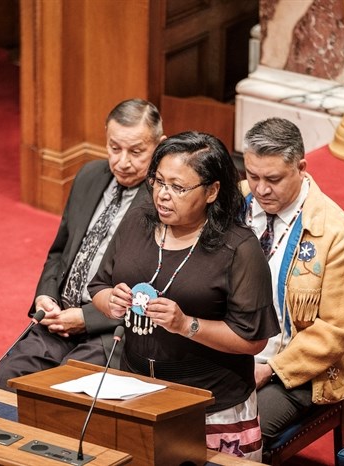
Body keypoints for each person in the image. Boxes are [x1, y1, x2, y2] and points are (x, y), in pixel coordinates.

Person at [89, 131, 279, 461]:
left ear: (212, 191)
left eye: (178, 188)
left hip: (209, 403)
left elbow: (253, 340)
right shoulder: (139, 221)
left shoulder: (239, 249)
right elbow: (99, 286)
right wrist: (111, 301)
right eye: (159, 182)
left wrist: (186, 324)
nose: (163, 195)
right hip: (136, 388)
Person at [0, 98, 165, 391]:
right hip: (58, 319)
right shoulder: (89, 176)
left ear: (159, 145)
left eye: (136, 152)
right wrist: (45, 296)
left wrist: (86, 318)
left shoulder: (163, 202)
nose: (123, 161)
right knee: (8, 376)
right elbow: (60, 251)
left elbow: (159, 286)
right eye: (114, 148)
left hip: (113, 331)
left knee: (62, 392)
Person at [241, 117, 344, 445]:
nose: (261, 189)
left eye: (273, 178)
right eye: (253, 176)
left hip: (295, 371)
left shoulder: (335, 232)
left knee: (240, 436)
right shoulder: (233, 205)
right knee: (168, 411)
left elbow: (336, 329)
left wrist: (270, 369)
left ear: (301, 167)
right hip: (226, 349)